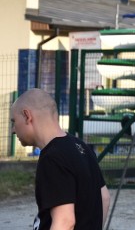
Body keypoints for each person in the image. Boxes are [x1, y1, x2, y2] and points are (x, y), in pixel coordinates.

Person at [10, 88, 110, 230]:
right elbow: (104, 198)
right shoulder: (81, 146)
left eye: (14, 121)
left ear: (27, 116)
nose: (13, 129)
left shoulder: (52, 158)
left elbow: (65, 222)